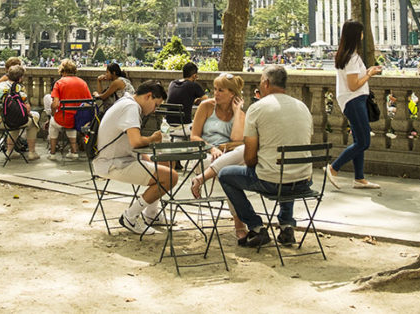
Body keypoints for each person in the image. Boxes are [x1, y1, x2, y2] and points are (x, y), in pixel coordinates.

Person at [217, 65, 313, 248]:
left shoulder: (257, 108)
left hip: (273, 181)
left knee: (225, 175)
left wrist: (257, 161)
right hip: (303, 180)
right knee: (285, 167)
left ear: (267, 83)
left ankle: (256, 227)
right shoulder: (302, 107)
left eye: (261, 81)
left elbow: (250, 157)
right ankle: (286, 225)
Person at [92, 80, 175, 234]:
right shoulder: (131, 107)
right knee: (171, 177)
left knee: (167, 162)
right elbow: (136, 142)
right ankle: (130, 216)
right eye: (156, 105)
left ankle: (151, 214)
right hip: (113, 163)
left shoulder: (126, 102)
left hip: (119, 158)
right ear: (148, 96)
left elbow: (131, 143)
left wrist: (149, 158)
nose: (154, 110)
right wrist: (152, 138)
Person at [187, 72, 248, 241]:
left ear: (233, 94)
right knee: (229, 173)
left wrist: (237, 112)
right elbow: (194, 137)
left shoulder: (240, 115)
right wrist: (212, 148)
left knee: (229, 171)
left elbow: (237, 139)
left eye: (221, 90)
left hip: (227, 158)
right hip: (203, 156)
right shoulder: (206, 107)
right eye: (215, 89)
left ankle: (200, 180)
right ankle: (239, 224)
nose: (216, 93)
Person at [326, 20, 383, 191]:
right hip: (353, 100)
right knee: (364, 142)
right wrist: (370, 74)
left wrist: (366, 71)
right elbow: (353, 85)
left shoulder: (348, 55)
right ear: (357, 35)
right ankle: (334, 167)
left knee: (359, 140)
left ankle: (359, 178)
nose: (363, 35)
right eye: (361, 32)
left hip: (352, 100)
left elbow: (353, 80)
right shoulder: (351, 57)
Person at [0, 64, 40, 161]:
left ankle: (10, 151)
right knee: (34, 118)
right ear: (20, 78)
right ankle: (32, 152)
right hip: (8, 122)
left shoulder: (0, 85)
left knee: (15, 118)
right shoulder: (18, 88)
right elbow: (26, 109)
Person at [49, 59, 92, 160]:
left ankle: (53, 153)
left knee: (53, 123)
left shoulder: (59, 83)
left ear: (62, 71)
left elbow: (55, 104)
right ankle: (74, 151)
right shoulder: (83, 83)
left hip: (63, 119)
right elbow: (88, 103)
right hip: (79, 120)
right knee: (71, 122)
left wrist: (52, 112)